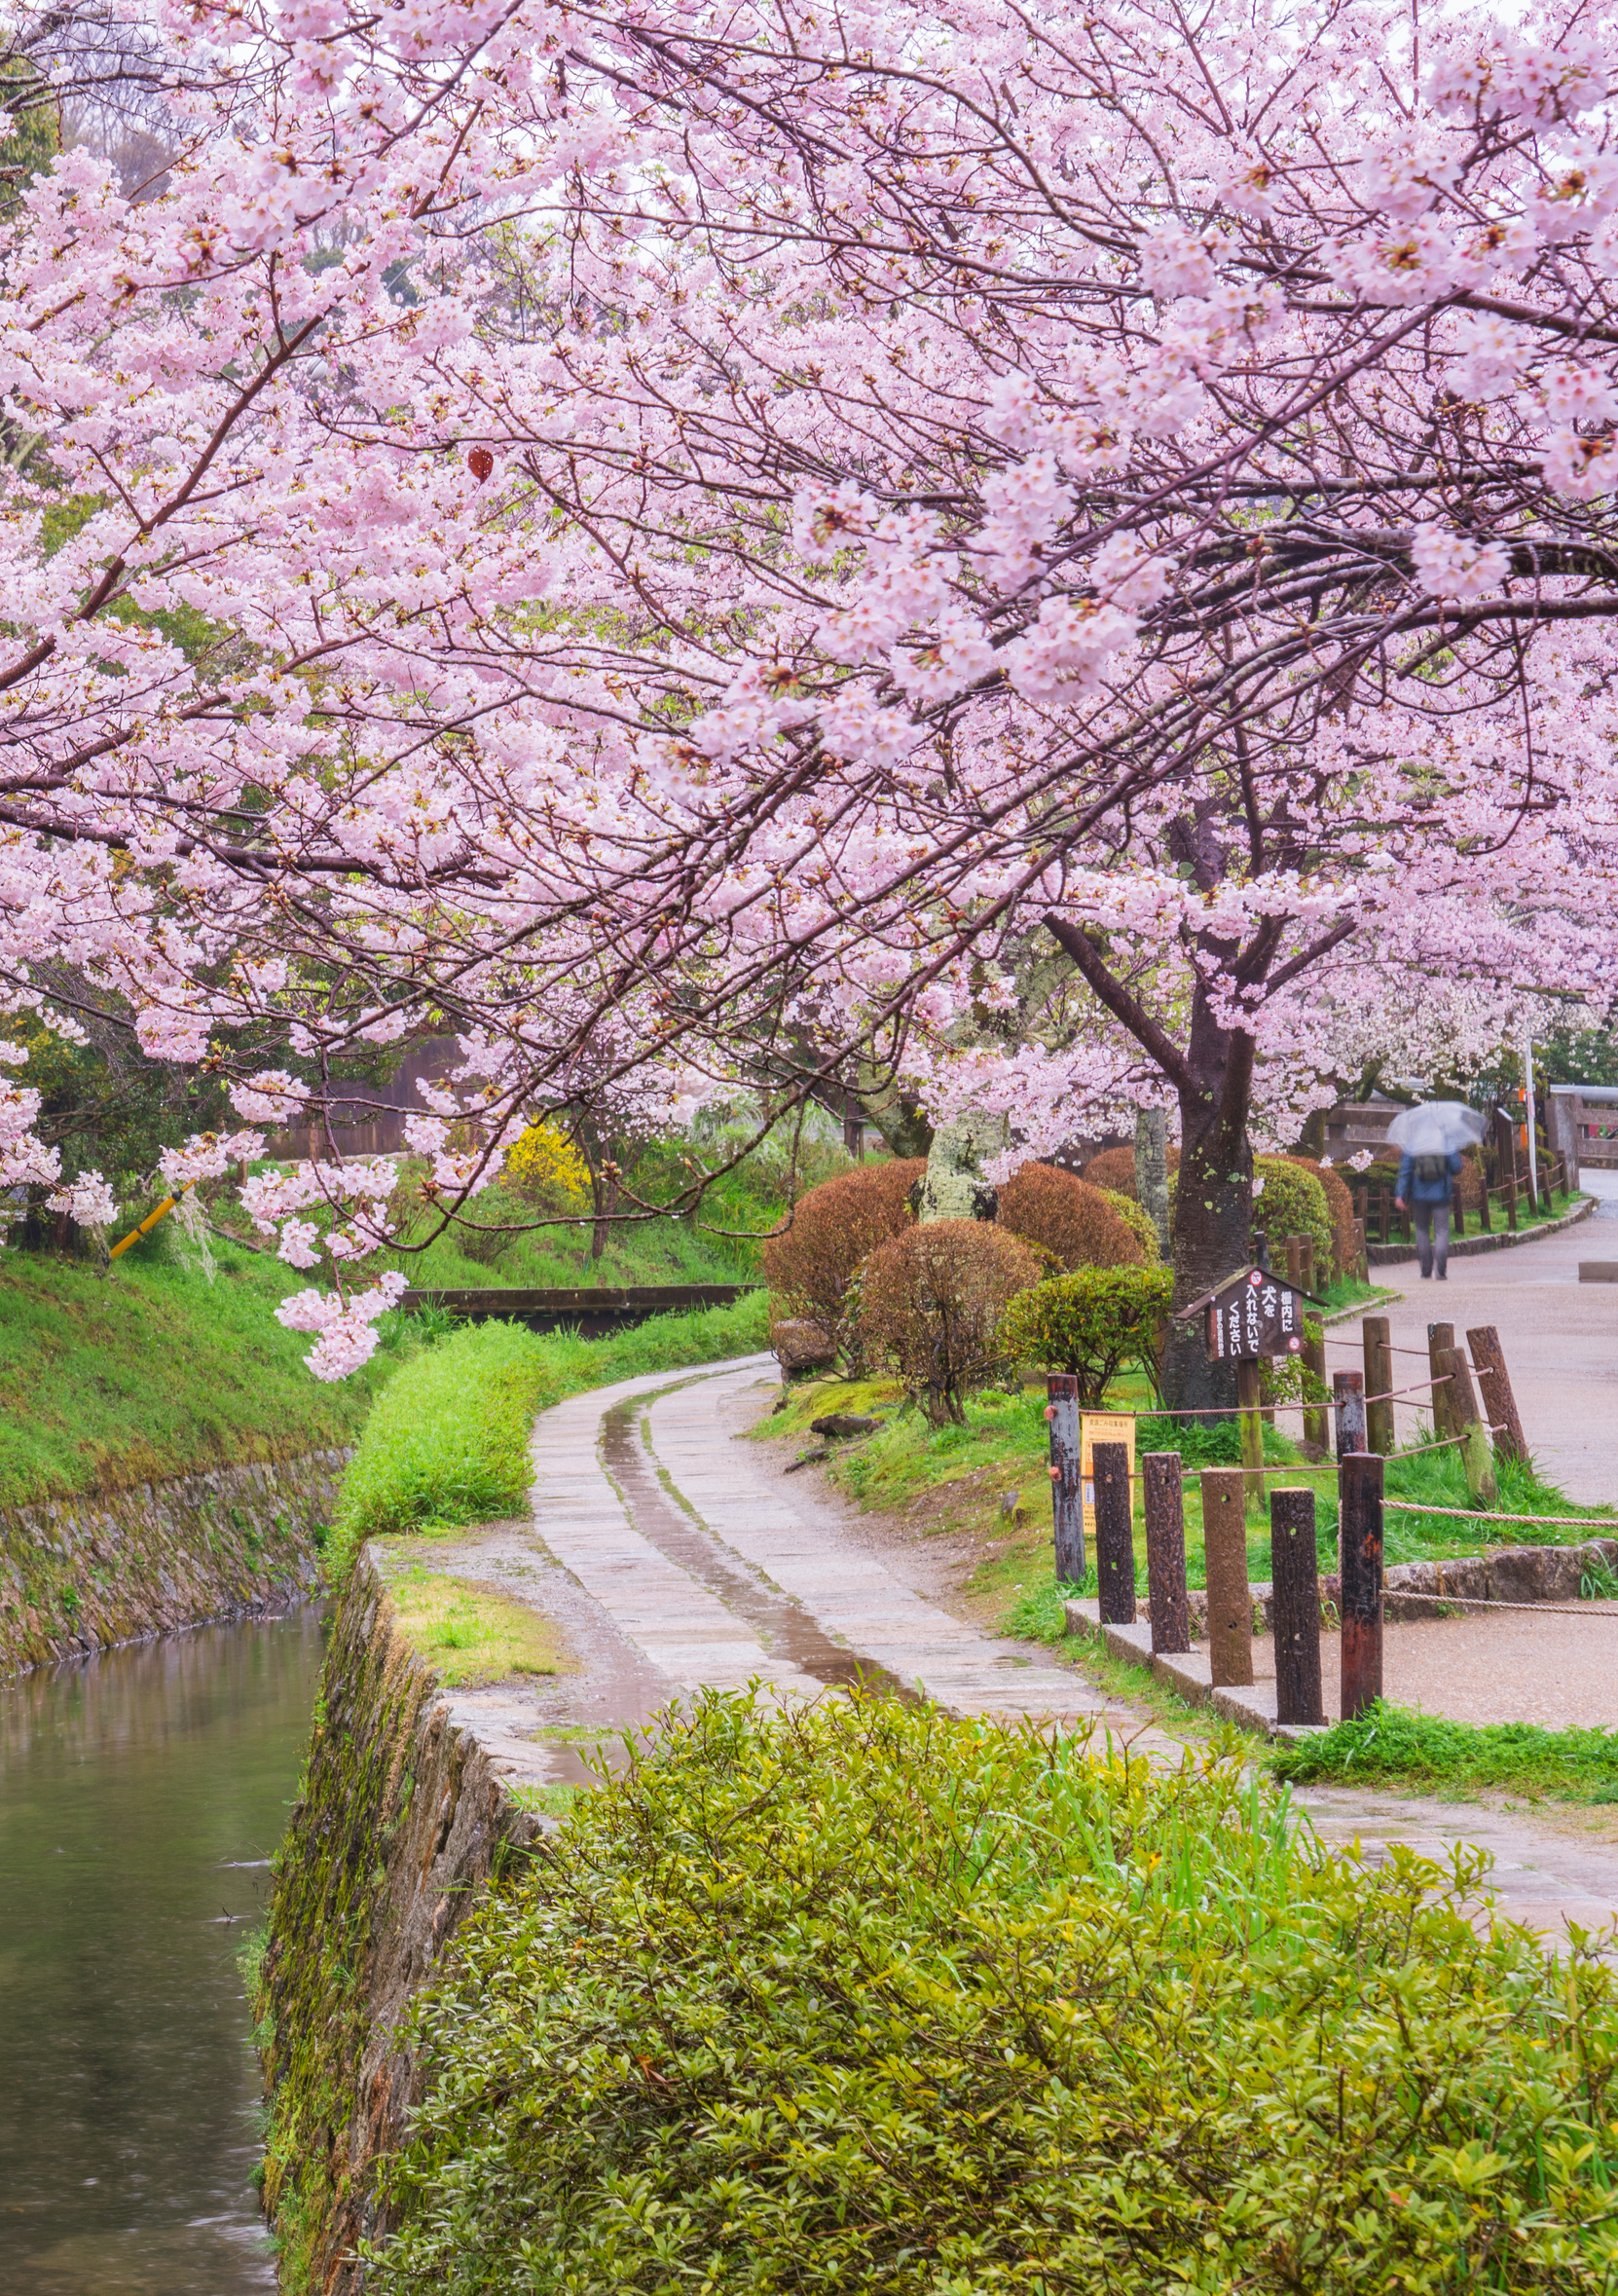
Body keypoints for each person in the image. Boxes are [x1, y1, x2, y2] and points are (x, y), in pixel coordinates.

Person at [1394, 1146, 1464, 1279]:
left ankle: (1426, 1270)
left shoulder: (1414, 1143)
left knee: (1421, 1229)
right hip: (1441, 1194)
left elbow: (1405, 1170)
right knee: (1441, 1230)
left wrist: (1400, 1194)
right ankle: (1441, 1270)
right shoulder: (1445, 1141)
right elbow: (1457, 1166)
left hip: (1418, 1195)